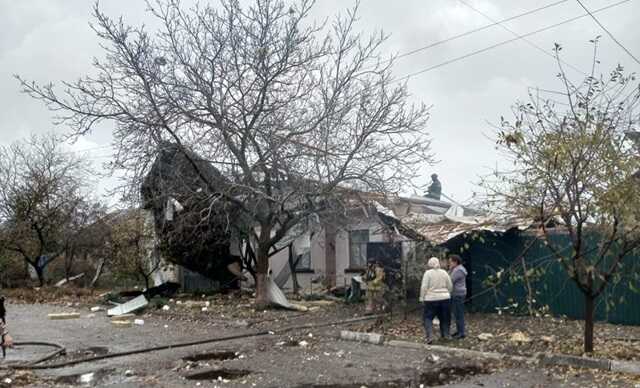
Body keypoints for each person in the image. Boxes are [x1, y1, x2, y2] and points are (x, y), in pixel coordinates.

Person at [420, 257, 452, 344]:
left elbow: (424, 287)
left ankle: (430, 336)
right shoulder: (444, 272)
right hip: (445, 298)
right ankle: (445, 335)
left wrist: (422, 298)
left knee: (428, 318)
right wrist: (447, 293)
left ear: (429, 265)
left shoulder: (427, 273)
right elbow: (450, 285)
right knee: (444, 317)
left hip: (431, 299)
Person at [449, 255, 468, 339]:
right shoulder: (457, 269)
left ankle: (462, 332)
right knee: (456, 313)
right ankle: (459, 330)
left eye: (451, 262)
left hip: (458, 294)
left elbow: (450, 280)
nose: (450, 263)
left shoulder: (458, 270)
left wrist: (450, 270)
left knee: (459, 313)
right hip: (457, 293)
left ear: (455, 262)